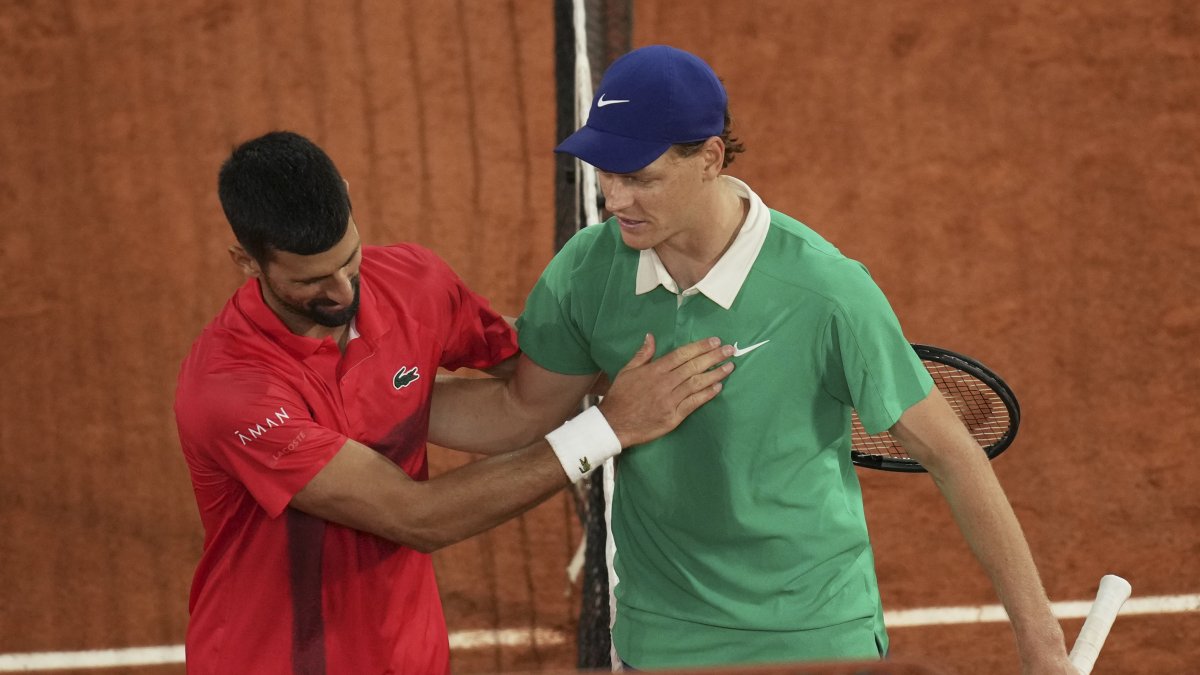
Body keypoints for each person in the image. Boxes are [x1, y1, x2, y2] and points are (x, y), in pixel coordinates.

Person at [510, 45, 1077, 672]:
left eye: (640, 179)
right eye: (605, 173)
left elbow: (952, 454)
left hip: (814, 641)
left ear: (710, 159)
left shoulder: (827, 291)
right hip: (661, 642)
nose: (614, 200)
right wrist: (418, 380)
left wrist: (1042, 643)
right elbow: (519, 410)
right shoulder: (590, 268)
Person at [172, 130, 733, 675]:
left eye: (350, 260)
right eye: (312, 281)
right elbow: (418, 517)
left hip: (408, 654)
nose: (343, 291)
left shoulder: (412, 283)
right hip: (269, 659)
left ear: (346, 196)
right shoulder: (232, 390)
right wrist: (608, 427)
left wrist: (671, 358)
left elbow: (537, 367)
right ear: (247, 262)